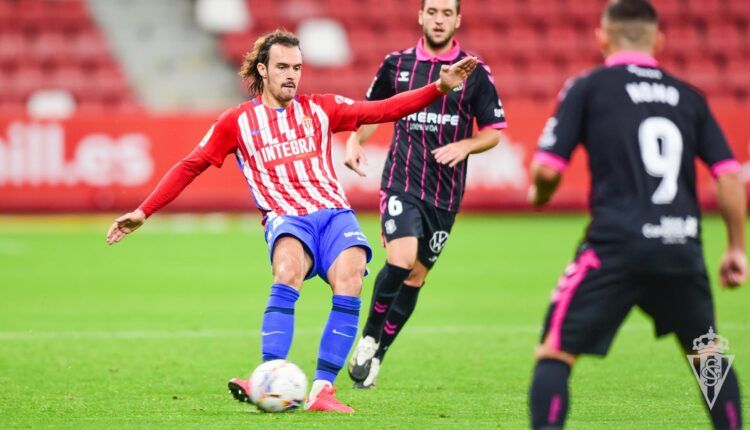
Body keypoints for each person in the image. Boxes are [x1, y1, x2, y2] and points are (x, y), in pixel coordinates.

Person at [105, 29, 477, 413]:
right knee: (287, 270)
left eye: (297, 67)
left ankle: (322, 391)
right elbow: (191, 164)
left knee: (352, 275)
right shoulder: (237, 122)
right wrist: (143, 211)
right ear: (263, 70)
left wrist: (438, 88)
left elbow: (383, 110)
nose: (291, 75)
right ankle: (266, 376)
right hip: (286, 218)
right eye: (282, 67)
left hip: (332, 214)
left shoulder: (322, 108)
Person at [527, 1, 746, 428]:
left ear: (602, 38)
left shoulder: (588, 87)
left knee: (555, 352)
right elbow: (730, 176)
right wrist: (736, 247)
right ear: (658, 40)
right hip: (681, 246)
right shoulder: (689, 96)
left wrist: (540, 192)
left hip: (616, 244)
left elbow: (547, 168)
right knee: (709, 356)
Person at [344, 0, 506, 389]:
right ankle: (368, 337)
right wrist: (353, 140)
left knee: (415, 278)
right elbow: (372, 112)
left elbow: (493, 130)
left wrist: (466, 146)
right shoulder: (397, 64)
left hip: (444, 193)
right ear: (420, 16)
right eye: (432, 11)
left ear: (457, 20)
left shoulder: (474, 72)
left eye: (446, 13)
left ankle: (378, 354)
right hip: (401, 179)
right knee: (400, 260)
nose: (438, 19)